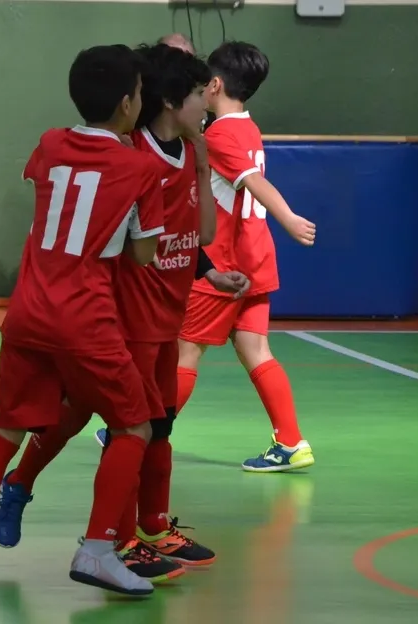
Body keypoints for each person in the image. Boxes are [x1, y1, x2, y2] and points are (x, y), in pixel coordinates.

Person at [0, 43, 248, 581]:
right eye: (199, 94)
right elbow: (125, 238)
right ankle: (113, 538)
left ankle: (150, 526)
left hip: (167, 316)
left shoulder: (188, 152)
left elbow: (198, 233)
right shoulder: (133, 154)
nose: (207, 103)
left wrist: (207, 267)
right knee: (109, 423)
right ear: (170, 101)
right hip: (122, 318)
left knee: (156, 425)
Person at [0, 43, 166, 596]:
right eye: (138, 93)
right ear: (128, 104)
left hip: (27, 313)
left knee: (3, 429)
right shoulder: (142, 167)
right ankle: (97, 550)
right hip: (84, 317)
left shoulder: (50, 143)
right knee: (134, 426)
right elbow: (143, 255)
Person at [176, 41, 318, 472]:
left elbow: (253, 181)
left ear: (215, 85)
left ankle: (144, 430)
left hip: (225, 262)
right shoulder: (249, 128)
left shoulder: (219, 135)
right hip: (257, 259)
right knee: (256, 350)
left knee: (184, 352)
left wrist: (289, 218)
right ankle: (291, 441)